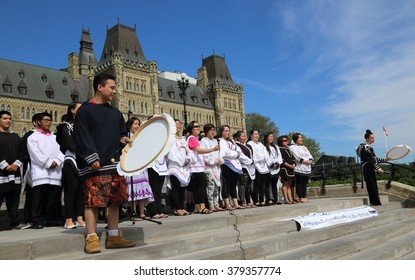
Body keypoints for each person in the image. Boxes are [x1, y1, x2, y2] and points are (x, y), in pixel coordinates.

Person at [74, 73, 135, 254]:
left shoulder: (115, 113)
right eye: (112, 87)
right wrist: (92, 158)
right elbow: (82, 136)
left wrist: (125, 140)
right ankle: (92, 238)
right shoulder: (85, 110)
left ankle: (114, 236)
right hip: (95, 165)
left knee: (114, 202)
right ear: (100, 87)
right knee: (92, 202)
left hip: (114, 165)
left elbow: (122, 134)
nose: (115, 92)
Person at [27, 112, 65, 229]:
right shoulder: (33, 137)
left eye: (50, 120)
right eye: (46, 120)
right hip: (40, 171)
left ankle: (51, 218)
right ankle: (37, 220)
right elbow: (35, 153)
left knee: (53, 197)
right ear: (38, 122)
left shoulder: (55, 137)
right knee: (38, 198)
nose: (49, 122)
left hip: (55, 171)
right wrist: (49, 163)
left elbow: (62, 150)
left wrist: (57, 161)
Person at [56, 101, 85, 229]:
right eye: (79, 108)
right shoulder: (65, 126)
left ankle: (79, 217)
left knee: (81, 191)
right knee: (71, 190)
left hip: (83, 160)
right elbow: (69, 144)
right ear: (72, 110)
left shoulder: (85, 126)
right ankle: (68, 219)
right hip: (71, 160)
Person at [0, 110, 29, 230]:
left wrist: (16, 164)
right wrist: (5, 165)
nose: (8, 121)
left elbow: (22, 152)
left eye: (10, 118)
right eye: (5, 118)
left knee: (13, 199)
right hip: (1, 173)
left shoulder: (16, 137)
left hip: (15, 173)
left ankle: (15, 222)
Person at [124, 117, 154, 221]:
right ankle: (133, 212)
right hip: (131, 166)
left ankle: (141, 212)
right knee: (133, 189)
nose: (137, 126)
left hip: (141, 166)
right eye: (135, 124)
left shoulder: (140, 136)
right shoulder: (127, 136)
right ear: (130, 125)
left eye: (138, 124)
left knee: (142, 188)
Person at [186, 121, 220, 214]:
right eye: (196, 127)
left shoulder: (195, 139)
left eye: (198, 126)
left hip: (198, 166)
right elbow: (199, 150)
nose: (198, 128)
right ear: (191, 129)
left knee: (198, 187)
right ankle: (202, 206)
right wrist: (212, 149)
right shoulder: (192, 138)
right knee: (202, 186)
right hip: (196, 167)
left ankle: (197, 207)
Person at [218, 125, 251, 210]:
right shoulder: (220, 141)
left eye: (228, 131)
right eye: (225, 131)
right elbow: (225, 153)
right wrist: (236, 154)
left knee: (233, 184)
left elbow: (239, 151)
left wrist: (248, 160)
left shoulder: (231, 142)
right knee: (226, 184)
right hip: (226, 164)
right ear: (221, 132)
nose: (227, 132)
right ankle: (227, 204)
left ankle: (235, 203)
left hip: (235, 165)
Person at [356, 129, 389, 206]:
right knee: (371, 185)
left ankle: (375, 202)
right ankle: (375, 202)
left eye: (374, 138)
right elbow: (371, 160)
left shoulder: (368, 147)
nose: (373, 140)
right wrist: (378, 168)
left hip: (370, 167)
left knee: (373, 185)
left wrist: (385, 159)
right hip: (367, 168)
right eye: (372, 138)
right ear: (367, 138)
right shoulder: (364, 147)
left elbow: (374, 159)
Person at [166, 119, 192, 216]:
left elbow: (187, 151)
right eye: (176, 124)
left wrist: (188, 159)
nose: (179, 126)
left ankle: (182, 206)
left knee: (182, 188)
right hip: (174, 166)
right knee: (175, 187)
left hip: (183, 166)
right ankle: (176, 208)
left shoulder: (183, 139)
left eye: (180, 124)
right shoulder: (171, 139)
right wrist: (181, 161)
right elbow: (171, 153)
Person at [200, 124, 224, 212]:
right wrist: (213, 161)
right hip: (209, 167)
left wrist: (219, 160)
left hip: (216, 167)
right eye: (211, 130)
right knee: (211, 186)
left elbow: (218, 153)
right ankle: (211, 205)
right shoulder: (204, 141)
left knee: (217, 187)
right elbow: (204, 154)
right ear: (207, 131)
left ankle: (216, 204)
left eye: (214, 130)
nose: (213, 132)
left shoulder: (215, 141)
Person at [289, 132, 313, 203]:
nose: (301, 139)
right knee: (299, 183)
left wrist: (310, 161)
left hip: (307, 167)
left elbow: (310, 155)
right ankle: (300, 197)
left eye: (301, 137)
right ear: (295, 139)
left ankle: (304, 196)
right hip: (300, 167)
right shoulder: (292, 147)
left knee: (305, 183)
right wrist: (305, 161)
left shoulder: (304, 147)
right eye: (299, 138)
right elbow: (296, 156)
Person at [247, 129, 269, 207]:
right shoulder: (249, 144)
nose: (257, 136)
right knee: (256, 184)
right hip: (256, 166)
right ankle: (256, 200)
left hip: (263, 165)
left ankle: (262, 200)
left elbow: (265, 153)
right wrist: (260, 158)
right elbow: (253, 155)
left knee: (262, 185)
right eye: (255, 134)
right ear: (251, 135)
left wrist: (264, 157)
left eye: (258, 134)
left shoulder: (260, 144)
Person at [234, 131, 255, 208]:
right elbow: (241, 156)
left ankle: (248, 201)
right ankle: (243, 202)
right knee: (243, 184)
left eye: (244, 136)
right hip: (243, 166)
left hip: (250, 167)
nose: (244, 137)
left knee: (248, 185)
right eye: (242, 136)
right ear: (238, 137)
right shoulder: (237, 145)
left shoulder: (247, 145)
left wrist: (252, 161)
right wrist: (249, 161)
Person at [263, 132, 283, 205]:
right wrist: (271, 165)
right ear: (266, 138)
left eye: (272, 137)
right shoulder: (264, 147)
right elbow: (266, 157)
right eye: (270, 136)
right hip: (269, 168)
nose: (272, 138)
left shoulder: (276, 147)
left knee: (274, 185)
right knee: (267, 185)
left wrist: (278, 163)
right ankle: (268, 199)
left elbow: (279, 156)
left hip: (276, 168)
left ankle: (275, 198)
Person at [277, 135, 296, 204]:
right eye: (284, 141)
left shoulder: (289, 149)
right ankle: (286, 199)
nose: (286, 142)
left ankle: (290, 199)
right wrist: (288, 165)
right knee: (285, 183)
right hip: (284, 168)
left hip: (291, 169)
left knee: (289, 184)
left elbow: (293, 158)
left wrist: (293, 164)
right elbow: (281, 159)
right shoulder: (279, 149)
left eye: (287, 140)